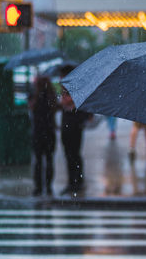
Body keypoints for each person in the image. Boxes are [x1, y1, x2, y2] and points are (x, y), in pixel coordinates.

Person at [60, 65, 92, 195]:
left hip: (74, 126)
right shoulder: (65, 90)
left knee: (74, 154)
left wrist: (69, 102)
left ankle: (76, 181)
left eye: (62, 75)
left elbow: (78, 105)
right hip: (67, 126)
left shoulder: (75, 88)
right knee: (69, 154)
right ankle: (73, 181)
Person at [29, 76, 57, 196]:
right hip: (49, 133)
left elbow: (32, 111)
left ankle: (38, 187)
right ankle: (49, 187)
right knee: (49, 160)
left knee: (38, 161)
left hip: (38, 134)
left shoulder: (35, 97)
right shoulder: (52, 97)